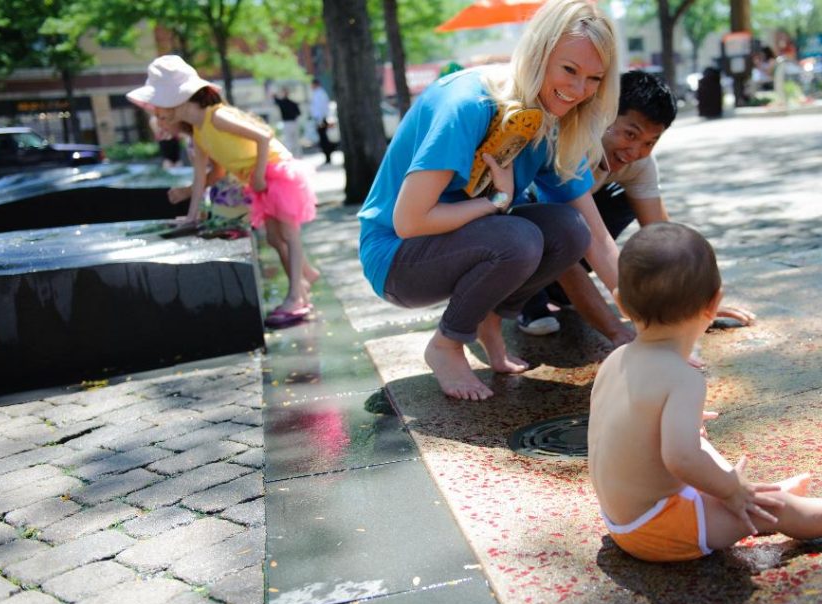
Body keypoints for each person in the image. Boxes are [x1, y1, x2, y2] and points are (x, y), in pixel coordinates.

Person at [588, 222, 822, 562]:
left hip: (622, 514)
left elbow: (619, 426)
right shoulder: (683, 378)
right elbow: (680, 460)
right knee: (771, 511)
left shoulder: (616, 358)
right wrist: (731, 492)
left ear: (619, 303)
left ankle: (752, 489)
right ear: (714, 304)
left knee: (698, 443)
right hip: (655, 529)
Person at [358, 0, 622, 401]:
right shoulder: (467, 103)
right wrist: (496, 200)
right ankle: (446, 345)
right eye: (569, 70)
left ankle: (489, 320)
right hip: (396, 258)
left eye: (594, 79)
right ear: (539, 53)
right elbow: (409, 222)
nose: (578, 90)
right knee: (519, 237)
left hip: (467, 242)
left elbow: (598, 240)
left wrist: (649, 331)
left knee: (570, 230)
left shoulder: (553, 120)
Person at [518, 70, 754, 343]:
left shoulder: (639, 164)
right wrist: (618, 332)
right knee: (560, 227)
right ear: (603, 115)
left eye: (649, 143)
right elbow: (576, 244)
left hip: (570, 226)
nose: (635, 151)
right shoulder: (570, 147)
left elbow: (665, 240)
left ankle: (557, 293)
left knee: (624, 201)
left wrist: (696, 306)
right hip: (522, 221)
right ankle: (528, 301)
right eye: (630, 134)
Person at [128, 55, 321, 327]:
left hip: (276, 172)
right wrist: (191, 214)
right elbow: (200, 176)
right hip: (258, 179)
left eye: (160, 103)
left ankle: (296, 297)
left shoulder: (217, 116)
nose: (157, 111)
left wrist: (257, 176)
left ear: (179, 98)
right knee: (276, 239)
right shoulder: (199, 132)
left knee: (289, 234)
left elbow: (263, 136)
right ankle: (304, 281)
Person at [273, 87, 303, 157]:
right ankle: (298, 156)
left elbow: (276, 99)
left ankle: (290, 156)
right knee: (295, 140)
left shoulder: (282, 103)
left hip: (287, 123)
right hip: (294, 122)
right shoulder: (293, 103)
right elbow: (299, 113)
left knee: (289, 141)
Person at [310, 78, 334, 165]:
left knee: (324, 139)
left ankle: (328, 156)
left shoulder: (320, 94)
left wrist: (320, 119)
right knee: (323, 138)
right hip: (319, 119)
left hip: (321, 119)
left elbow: (322, 108)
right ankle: (327, 156)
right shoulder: (317, 93)